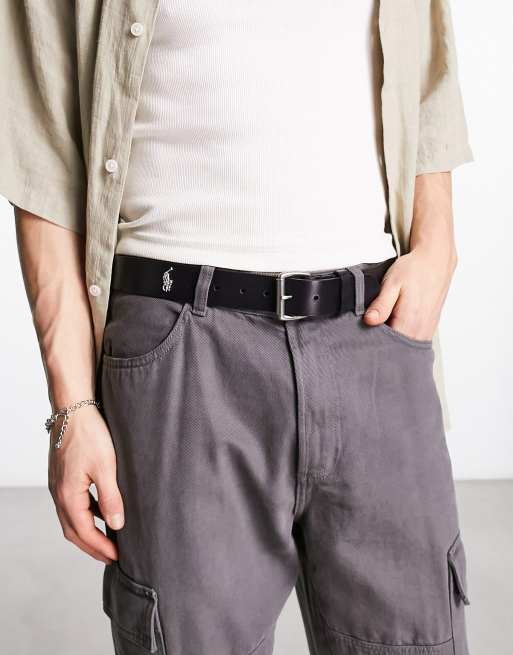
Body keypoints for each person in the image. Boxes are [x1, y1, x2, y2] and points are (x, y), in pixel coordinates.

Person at [1, 1, 474, 654]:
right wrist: (72, 407)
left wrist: (436, 243)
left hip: (376, 329)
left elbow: (427, 77)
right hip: (181, 356)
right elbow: (41, 153)